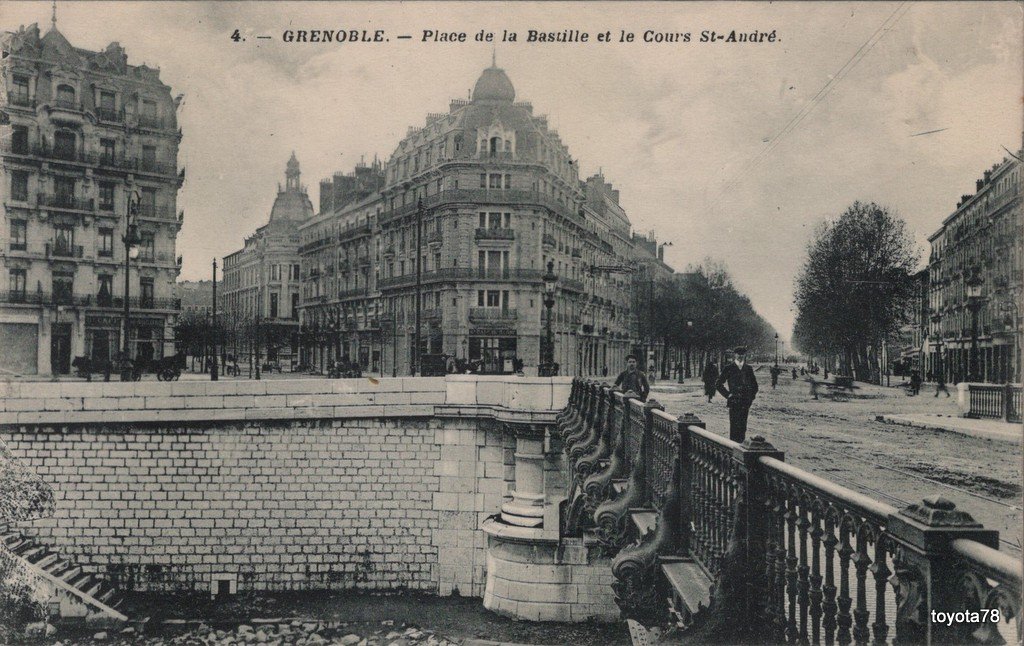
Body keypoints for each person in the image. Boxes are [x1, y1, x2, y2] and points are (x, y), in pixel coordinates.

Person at [716, 346, 759, 443]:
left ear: (745, 355)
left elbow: (755, 386)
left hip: (745, 402)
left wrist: (750, 398)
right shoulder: (728, 368)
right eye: (738, 354)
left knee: (743, 427)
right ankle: (734, 449)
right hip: (734, 402)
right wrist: (728, 395)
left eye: (742, 354)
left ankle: (741, 450)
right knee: (734, 427)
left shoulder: (748, 368)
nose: (740, 356)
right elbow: (718, 384)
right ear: (734, 355)